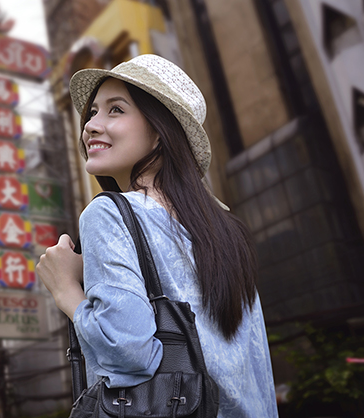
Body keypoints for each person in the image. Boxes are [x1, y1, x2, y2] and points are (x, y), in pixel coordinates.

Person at [35, 54, 278, 417]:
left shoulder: (109, 214)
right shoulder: (228, 231)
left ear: (160, 131)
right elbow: (258, 371)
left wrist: (66, 289)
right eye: (93, 112)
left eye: (115, 110)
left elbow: (131, 355)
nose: (91, 125)